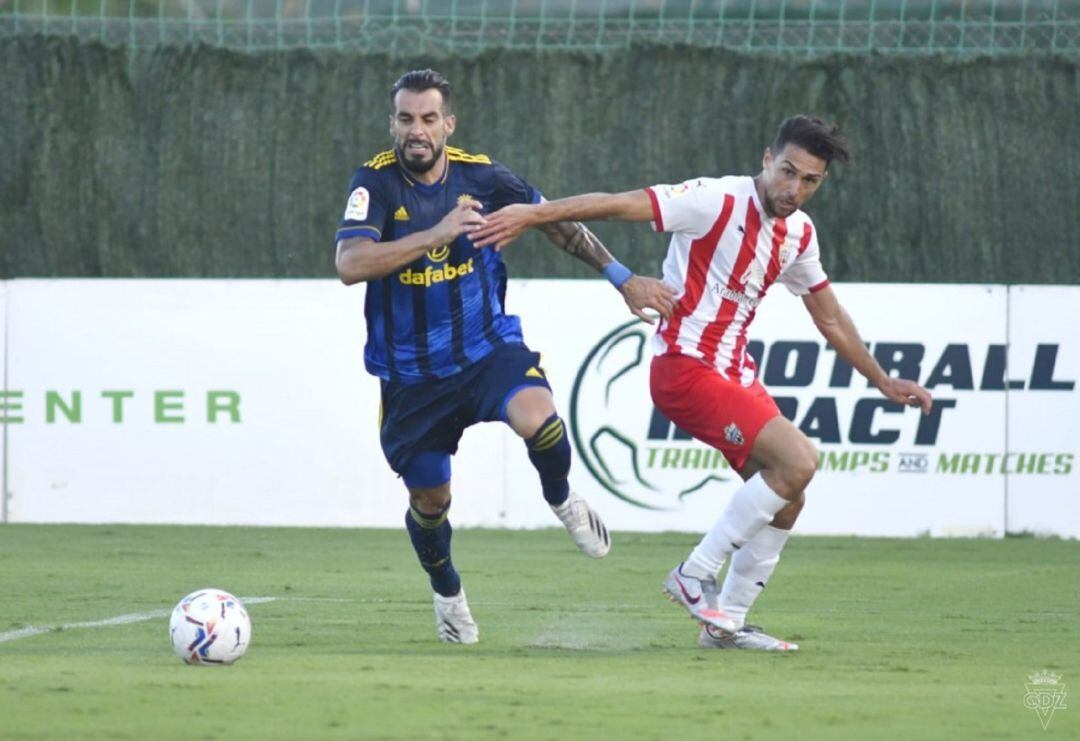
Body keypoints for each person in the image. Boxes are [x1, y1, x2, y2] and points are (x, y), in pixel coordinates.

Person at [472, 115, 933, 651]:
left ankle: (726, 623)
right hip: (684, 368)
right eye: (788, 172)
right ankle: (695, 573)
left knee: (789, 497)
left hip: (733, 372)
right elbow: (616, 203)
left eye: (810, 180)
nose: (794, 188)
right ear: (767, 159)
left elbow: (828, 317)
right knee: (800, 460)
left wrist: (880, 380)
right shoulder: (714, 200)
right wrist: (534, 214)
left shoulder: (799, 234)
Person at [334, 69, 676, 644]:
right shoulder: (375, 184)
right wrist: (437, 233)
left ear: (448, 124)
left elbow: (554, 222)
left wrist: (620, 277)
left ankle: (562, 497)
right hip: (412, 376)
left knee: (539, 418)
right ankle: (448, 594)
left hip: (486, 350)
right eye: (405, 119)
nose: (416, 130)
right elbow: (350, 264)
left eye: (427, 119)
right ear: (392, 123)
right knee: (430, 499)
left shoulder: (482, 175)